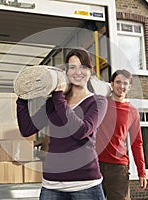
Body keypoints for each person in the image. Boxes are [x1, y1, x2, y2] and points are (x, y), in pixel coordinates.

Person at [16, 48, 108, 200]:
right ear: (67, 71)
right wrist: (23, 98)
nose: (77, 72)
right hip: (52, 185)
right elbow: (27, 129)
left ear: (90, 70)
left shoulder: (97, 101)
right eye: (72, 67)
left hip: (85, 184)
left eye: (82, 67)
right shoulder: (54, 102)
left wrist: (59, 97)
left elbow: (81, 131)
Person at [96, 69, 147, 200]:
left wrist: (142, 172)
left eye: (125, 83)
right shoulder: (101, 104)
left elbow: (137, 143)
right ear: (111, 84)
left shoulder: (132, 112)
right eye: (118, 82)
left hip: (118, 168)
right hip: (95, 164)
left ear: (129, 87)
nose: (121, 86)